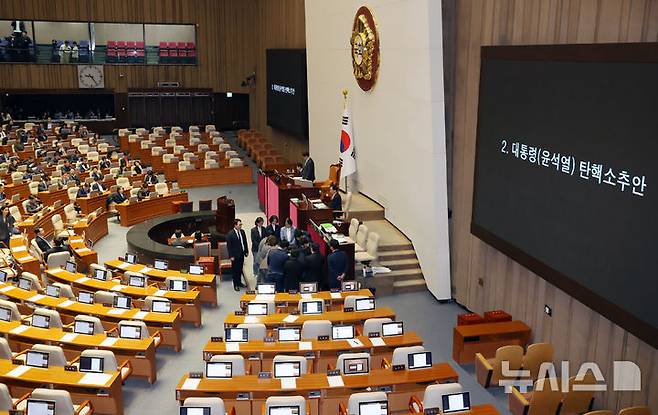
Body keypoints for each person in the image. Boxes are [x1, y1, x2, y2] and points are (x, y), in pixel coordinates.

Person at [226, 219, 249, 291]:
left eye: (241, 225)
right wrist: (231, 256)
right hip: (235, 256)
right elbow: (229, 246)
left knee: (240, 269)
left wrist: (246, 250)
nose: (241, 226)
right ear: (235, 225)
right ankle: (235, 284)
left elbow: (245, 242)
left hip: (242, 254)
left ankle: (239, 282)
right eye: (239, 225)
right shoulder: (230, 234)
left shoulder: (242, 232)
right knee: (235, 271)